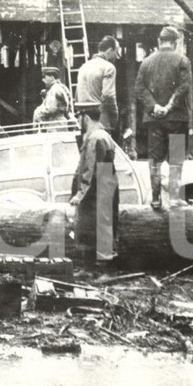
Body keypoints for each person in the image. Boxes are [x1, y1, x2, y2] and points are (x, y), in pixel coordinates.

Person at [134, 26, 192, 210]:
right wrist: (168, 107)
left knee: (154, 160)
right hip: (176, 118)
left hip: (154, 119)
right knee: (175, 159)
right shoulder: (182, 60)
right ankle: (174, 198)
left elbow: (139, 89)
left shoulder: (146, 62)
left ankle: (156, 198)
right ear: (175, 43)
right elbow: (184, 87)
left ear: (159, 42)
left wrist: (154, 107)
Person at [68, 101, 119, 266]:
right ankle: (101, 267)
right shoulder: (104, 135)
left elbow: (89, 169)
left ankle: (98, 270)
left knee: (92, 226)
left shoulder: (94, 138)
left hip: (96, 189)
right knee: (105, 225)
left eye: (79, 117)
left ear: (86, 117)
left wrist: (79, 194)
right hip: (107, 184)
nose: (77, 121)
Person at [76, 35, 121, 135]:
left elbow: (77, 96)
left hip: (84, 122)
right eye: (115, 52)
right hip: (101, 122)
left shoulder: (83, 67)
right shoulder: (109, 67)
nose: (116, 57)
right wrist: (114, 117)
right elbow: (108, 96)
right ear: (109, 50)